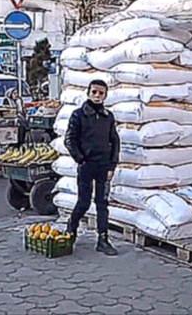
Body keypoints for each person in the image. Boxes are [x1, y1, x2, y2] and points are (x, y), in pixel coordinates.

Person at [64, 79, 120, 256]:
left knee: (102, 203)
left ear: (105, 96)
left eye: (101, 93)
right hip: (86, 165)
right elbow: (70, 139)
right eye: (94, 92)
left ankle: (103, 239)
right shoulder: (78, 115)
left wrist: (112, 164)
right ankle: (71, 230)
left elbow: (115, 140)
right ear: (88, 93)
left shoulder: (108, 117)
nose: (97, 96)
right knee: (84, 202)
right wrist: (80, 159)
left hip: (103, 166)